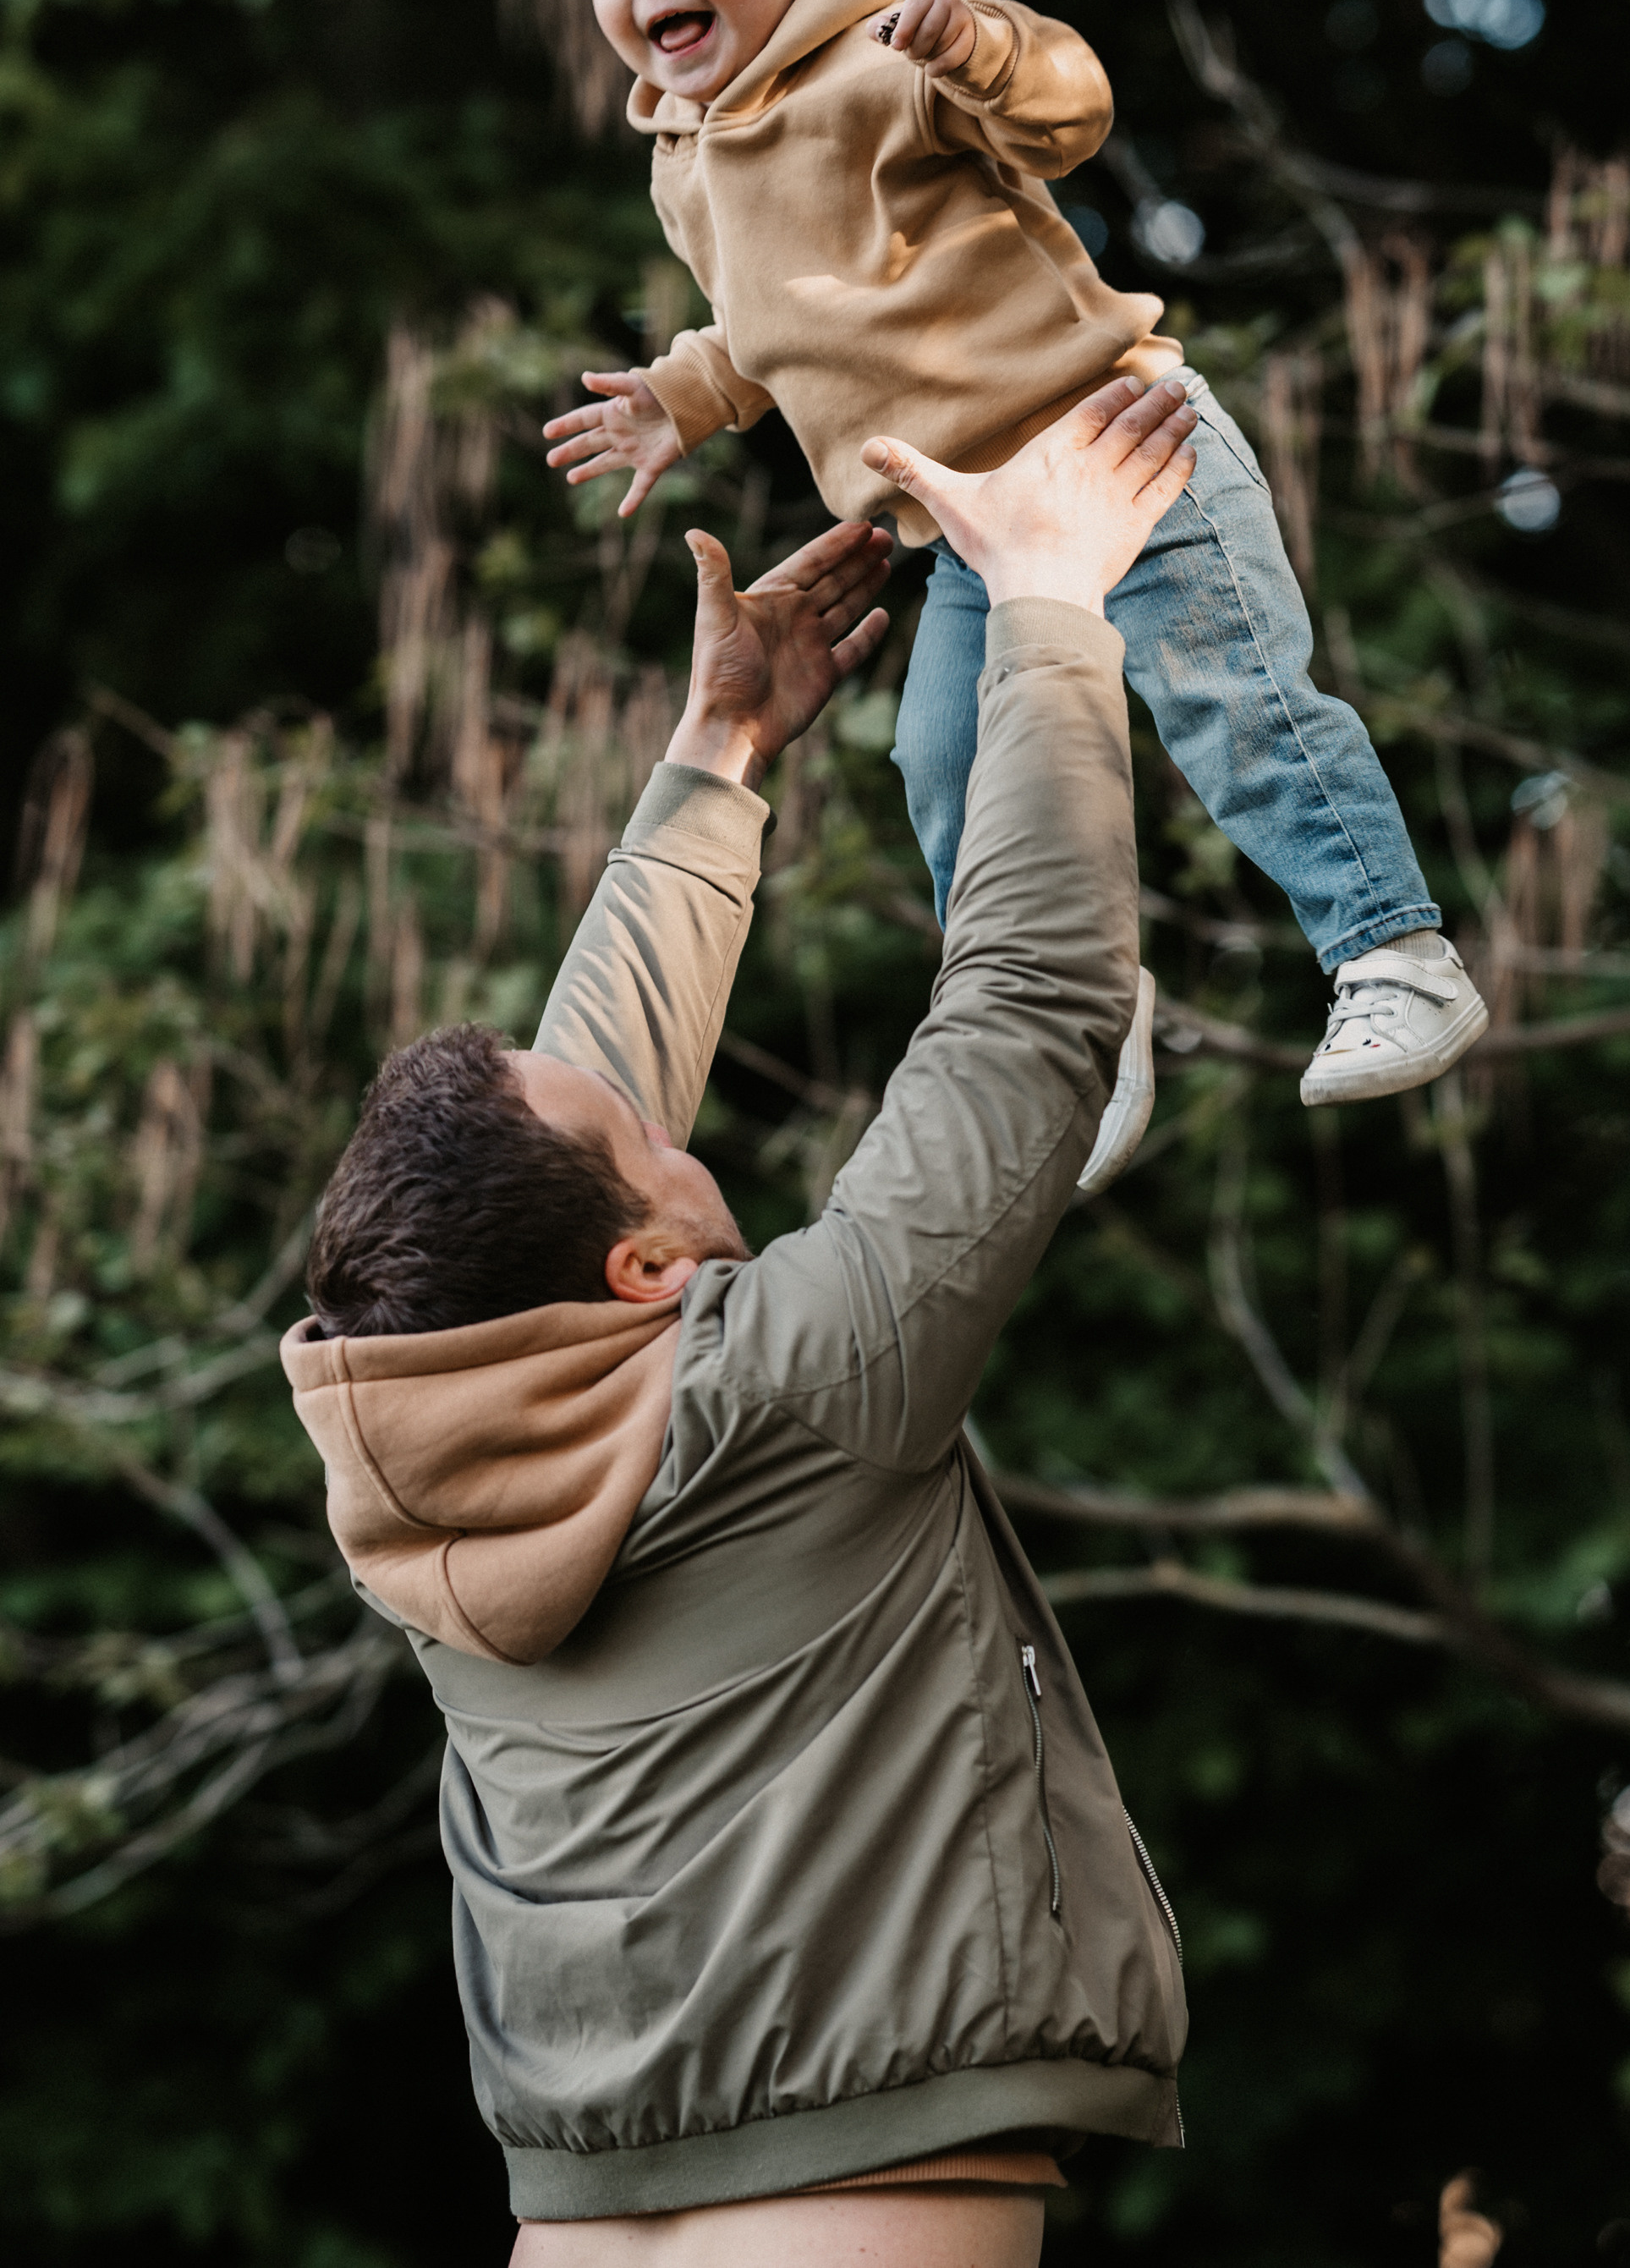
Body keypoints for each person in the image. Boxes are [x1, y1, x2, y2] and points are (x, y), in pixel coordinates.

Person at [284, 376, 1202, 2265]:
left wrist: (719, 752)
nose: (665, 1121)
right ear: (639, 1272)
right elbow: (1030, 1008)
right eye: (652, 1144)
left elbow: (569, 1136)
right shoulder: (792, 1387)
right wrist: (1049, 604)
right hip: (858, 2197)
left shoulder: (408, 1478)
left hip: (576, 2208)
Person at [541, 0, 1488, 1184]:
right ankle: (1075, 1018)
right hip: (972, 533)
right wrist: (679, 398)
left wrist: (979, 48)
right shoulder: (688, 162)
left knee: (1233, 701)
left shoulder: (888, 49)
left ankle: (1391, 952)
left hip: (1113, 444)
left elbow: (1066, 109)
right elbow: (766, 322)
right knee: (942, 771)